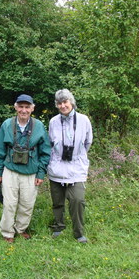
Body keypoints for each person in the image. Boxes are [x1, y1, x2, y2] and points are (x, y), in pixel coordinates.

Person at [0, 94, 51, 243]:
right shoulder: (6, 124)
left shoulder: (39, 126)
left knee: (27, 204)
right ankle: (7, 232)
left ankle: (21, 228)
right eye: (21, 106)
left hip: (31, 172)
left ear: (32, 108)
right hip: (10, 170)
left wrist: (41, 172)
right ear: (15, 107)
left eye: (27, 107)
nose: (23, 110)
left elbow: (45, 152)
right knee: (9, 204)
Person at [47, 89, 93, 243]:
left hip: (76, 167)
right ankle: (58, 226)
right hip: (57, 167)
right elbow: (50, 143)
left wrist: (76, 156)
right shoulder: (53, 121)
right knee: (57, 200)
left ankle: (79, 232)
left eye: (65, 102)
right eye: (59, 103)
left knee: (77, 200)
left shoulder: (84, 120)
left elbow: (88, 142)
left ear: (71, 102)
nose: (62, 105)